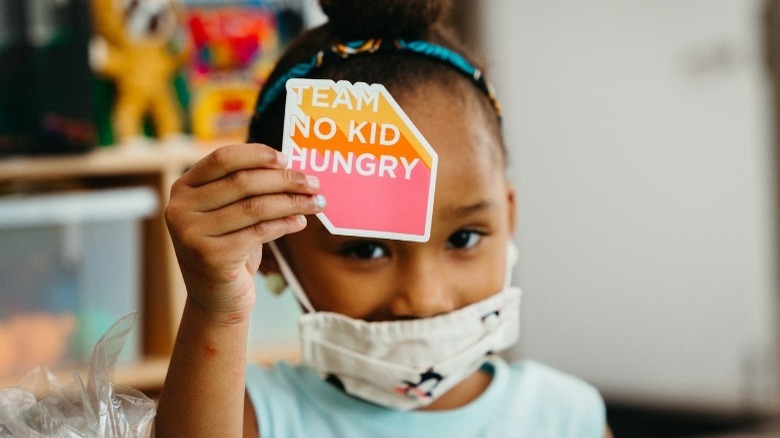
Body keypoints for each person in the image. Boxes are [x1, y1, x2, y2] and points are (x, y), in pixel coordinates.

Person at [155, 0, 612, 436]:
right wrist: (216, 312)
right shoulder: (243, 414)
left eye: (465, 238)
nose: (425, 299)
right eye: (367, 249)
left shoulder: (570, 418)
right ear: (271, 246)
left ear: (508, 216)